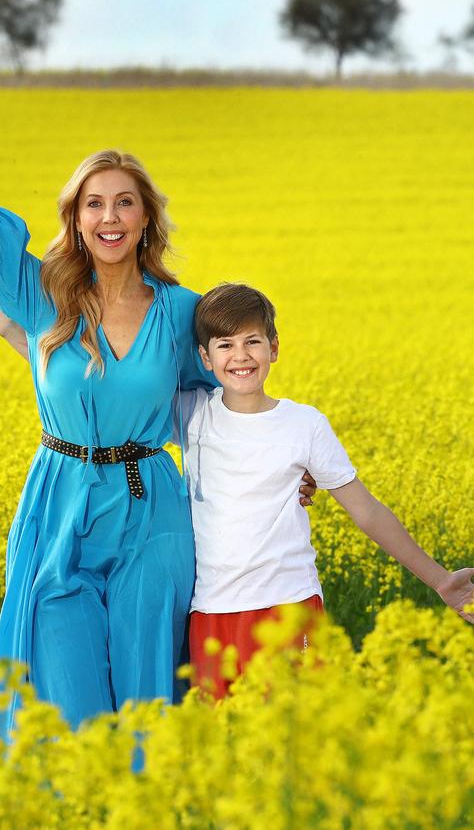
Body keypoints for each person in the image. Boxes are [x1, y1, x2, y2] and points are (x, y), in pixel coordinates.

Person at [0, 51, 318, 736]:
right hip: (58, 500)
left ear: (146, 217)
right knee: (67, 696)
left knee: (150, 694)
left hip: (153, 510)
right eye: (95, 203)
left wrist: (284, 472)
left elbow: (228, 404)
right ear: (77, 218)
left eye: (125, 201)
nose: (110, 216)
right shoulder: (41, 294)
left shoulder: (184, 312)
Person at [184, 283, 474, 697]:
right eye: (225, 345)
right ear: (204, 357)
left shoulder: (304, 425)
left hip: (288, 603)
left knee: (298, 739)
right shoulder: (191, 412)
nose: (241, 355)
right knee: (221, 744)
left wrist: (440, 579)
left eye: (253, 341)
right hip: (211, 610)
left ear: (275, 348)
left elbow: (366, 511)